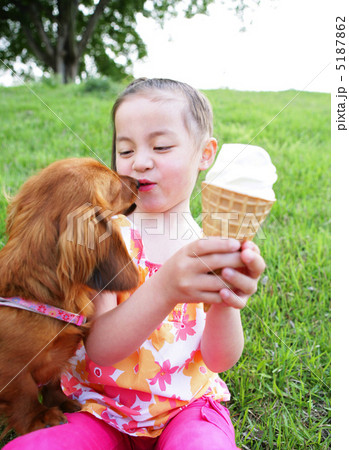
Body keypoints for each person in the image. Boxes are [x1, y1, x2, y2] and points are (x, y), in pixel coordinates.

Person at [4, 78, 266, 449]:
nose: (139, 162)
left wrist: (226, 299)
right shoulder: (102, 236)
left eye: (161, 146)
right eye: (125, 151)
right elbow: (102, 348)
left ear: (205, 154)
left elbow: (220, 359)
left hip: (187, 408)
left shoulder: (212, 245)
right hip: (98, 410)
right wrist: (167, 286)